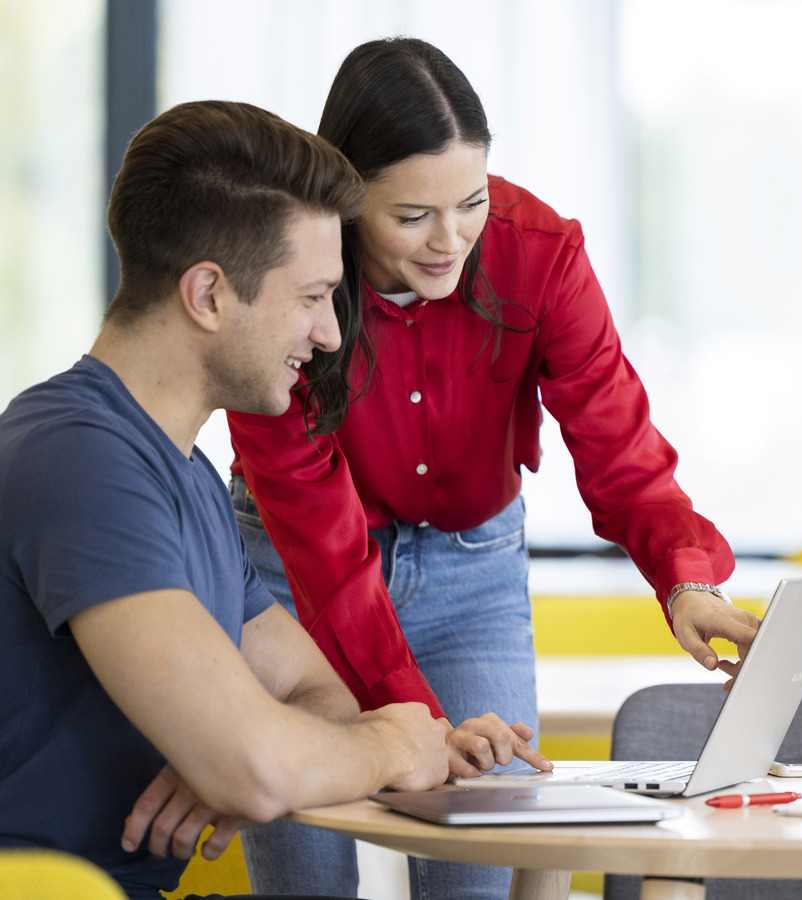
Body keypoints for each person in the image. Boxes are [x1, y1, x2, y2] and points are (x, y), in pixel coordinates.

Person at [227, 36, 763, 899]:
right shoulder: (283, 286)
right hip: (294, 577)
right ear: (346, 198)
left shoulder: (538, 252)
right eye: (411, 218)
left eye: (469, 202)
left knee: (476, 874)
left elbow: (618, 444)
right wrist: (418, 722)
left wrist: (684, 578)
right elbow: (322, 547)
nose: (451, 243)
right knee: (306, 879)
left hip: (470, 574)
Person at [0, 99, 542, 900]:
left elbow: (309, 692)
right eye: (313, 295)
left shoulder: (183, 473)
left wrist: (240, 747)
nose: (330, 334)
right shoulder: (79, 459)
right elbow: (257, 769)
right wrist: (380, 747)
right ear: (209, 295)